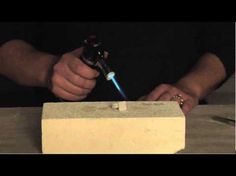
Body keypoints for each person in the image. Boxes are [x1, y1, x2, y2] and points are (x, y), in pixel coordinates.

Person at [0, 22, 234, 114]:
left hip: (175, 122)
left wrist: (191, 86)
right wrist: (47, 70)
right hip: (63, 126)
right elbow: (6, 43)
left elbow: (227, 42)